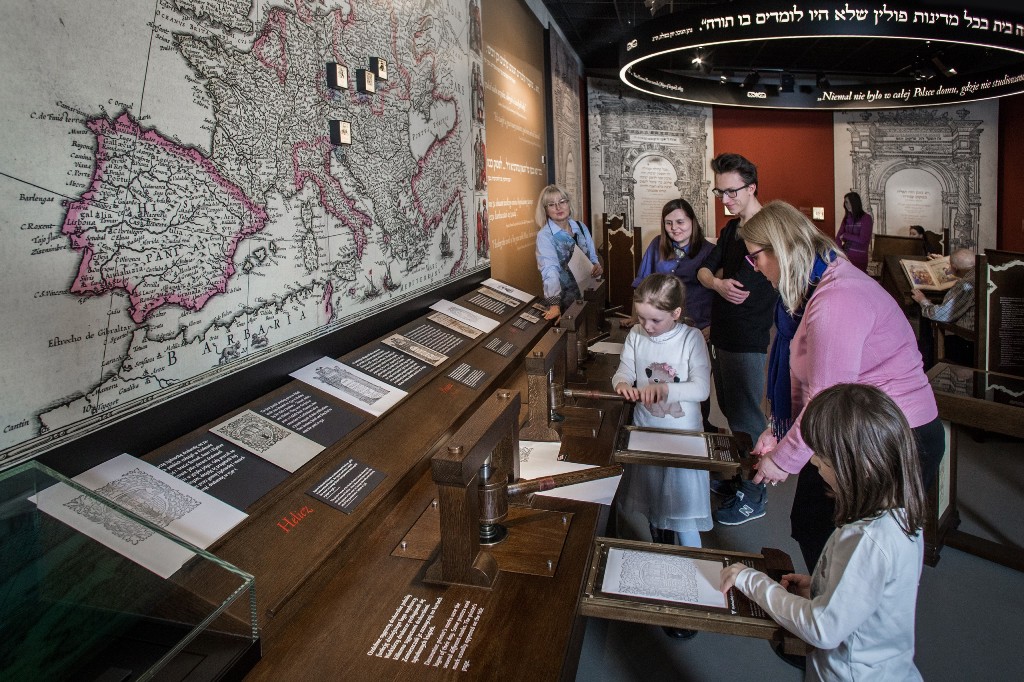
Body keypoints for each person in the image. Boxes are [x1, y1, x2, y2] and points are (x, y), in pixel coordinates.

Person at [738, 200, 943, 572]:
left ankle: (838, 620)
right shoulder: (815, 289)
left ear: (781, 249)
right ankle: (828, 605)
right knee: (814, 525)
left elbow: (826, 400)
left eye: (756, 257)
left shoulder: (836, 299)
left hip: (894, 436)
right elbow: (812, 376)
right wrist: (776, 432)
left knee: (852, 548)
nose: (754, 268)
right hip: (856, 428)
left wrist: (782, 459)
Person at [721, 383, 926, 682]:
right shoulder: (901, 515)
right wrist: (822, 588)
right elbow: (870, 593)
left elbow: (822, 628)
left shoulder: (866, 540)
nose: (814, 462)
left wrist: (750, 580)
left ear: (860, 466)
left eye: (823, 458)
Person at [612, 273, 711, 637]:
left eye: (655, 320)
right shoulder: (637, 335)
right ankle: (664, 565)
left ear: (677, 313)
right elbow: (625, 367)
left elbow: (700, 389)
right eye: (641, 318)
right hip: (646, 433)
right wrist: (621, 382)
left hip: (682, 439)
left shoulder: (690, 338)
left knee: (684, 515)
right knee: (654, 501)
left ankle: (693, 596)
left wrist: (665, 388)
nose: (647, 327)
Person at [696, 153, 778, 525]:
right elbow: (703, 270)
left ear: (751, 187)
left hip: (749, 337)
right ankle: (743, 475)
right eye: (720, 192)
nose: (725, 199)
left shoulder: (771, 230)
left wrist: (719, 283)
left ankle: (756, 492)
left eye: (731, 192)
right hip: (723, 333)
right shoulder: (731, 230)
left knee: (748, 414)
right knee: (731, 411)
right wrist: (716, 282)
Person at [632, 198, 715, 430]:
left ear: (692, 221)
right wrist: (636, 318)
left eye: (680, 222)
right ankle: (657, 423)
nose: (675, 228)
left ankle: (698, 427)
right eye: (669, 223)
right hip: (661, 329)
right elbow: (641, 284)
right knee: (659, 374)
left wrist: (713, 325)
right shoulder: (657, 245)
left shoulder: (710, 252)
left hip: (698, 327)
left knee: (695, 382)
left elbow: (720, 295)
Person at [534, 184, 602, 320]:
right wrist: (554, 304)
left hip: (589, 296)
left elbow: (593, 258)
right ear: (545, 210)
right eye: (551, 205)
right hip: (566, 303)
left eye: (562, 202)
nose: (558, 208)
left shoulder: (581, 227)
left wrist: (597, 267)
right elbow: (549, 270)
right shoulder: (545, 236)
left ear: (568, 204)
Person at [912, 248, 977, 367]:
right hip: (987, 340)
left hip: (968, 343)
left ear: (954, 268)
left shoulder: (965, 285)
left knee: (925, 345)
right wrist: (943, 262)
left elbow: (942, 315)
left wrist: (923, 301)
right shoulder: (983, 271)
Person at [836, 191, 873, 272]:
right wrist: (839, 253)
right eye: (845, 202)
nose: (846, 205)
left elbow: (863, 239)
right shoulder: (846, 218)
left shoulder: (866, 218)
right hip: (845, 257)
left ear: (854, 202)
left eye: (848, 202)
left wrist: (845, 235)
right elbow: (838, 236)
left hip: (859, 259)